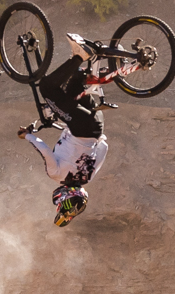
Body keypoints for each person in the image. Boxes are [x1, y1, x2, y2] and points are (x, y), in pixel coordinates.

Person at [21, 34, 142, 228]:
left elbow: (103, 146)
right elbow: (43, 150)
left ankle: (109, 65)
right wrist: (27, 135)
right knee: (47, 88)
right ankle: (81, 55)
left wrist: (85, 140)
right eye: (59, 204)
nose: (57, 202)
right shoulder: (56, 174)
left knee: (74, 85)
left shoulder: (88, 177)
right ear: (65, 198)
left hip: (97, 125)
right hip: (79, 125)